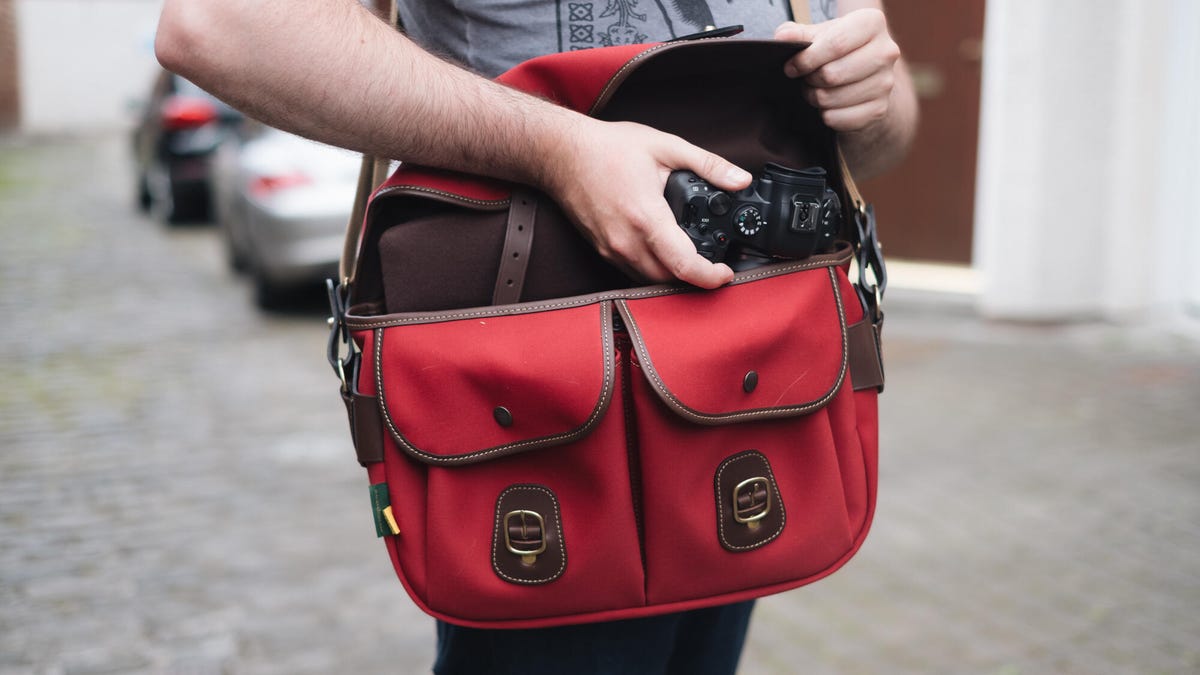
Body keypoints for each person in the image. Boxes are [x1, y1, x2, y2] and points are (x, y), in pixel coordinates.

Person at [155, 1, 917, 673]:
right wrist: (558, 148)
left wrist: (878, 99)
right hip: (545, 401)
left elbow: (881, 141)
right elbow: (218, 23)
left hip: (759, 379)